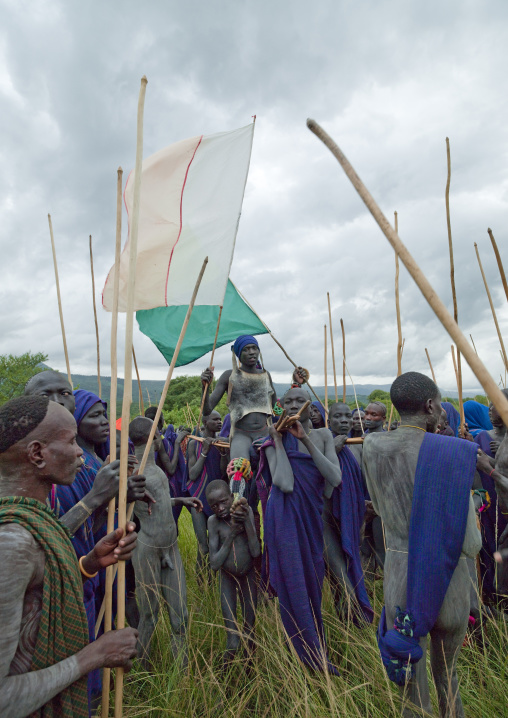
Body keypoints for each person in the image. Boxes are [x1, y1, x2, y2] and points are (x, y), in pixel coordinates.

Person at [0, 395, 138, 718]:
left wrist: (88, 564)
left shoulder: (33, 520)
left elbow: (32, 602)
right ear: (37, 454)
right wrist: (96, 654)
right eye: (71, 441)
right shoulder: (13, 544)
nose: (80, 452)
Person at [363, 372, 482, 718]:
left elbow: (376, 501)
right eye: (441, 405)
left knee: (411, 690)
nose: (443, 413)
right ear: (430, 406)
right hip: (449, 578)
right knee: (449, 679)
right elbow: (471, 544)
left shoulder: (372, 445)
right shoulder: (454, 453)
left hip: (401, 573)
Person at [258, 387, 341, 674]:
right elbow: (285, 483)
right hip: (283, 516)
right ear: (280, 406)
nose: (294, 405)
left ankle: (314, 646)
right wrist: (279, 442)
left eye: (299, 400)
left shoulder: (323, 436)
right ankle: (306, 656)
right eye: (288, 401)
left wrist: (305, 439)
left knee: (313, 578)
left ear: (310, 406)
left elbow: (335, 477)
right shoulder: (270, 442)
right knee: (294, 580)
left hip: (311, 516)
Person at [129, 417, 202, 670]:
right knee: (149, 615)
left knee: (180, 616)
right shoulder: (135, 475)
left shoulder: (156, 469)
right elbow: (128, 503)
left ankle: (180, 672)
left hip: (170, 546)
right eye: (158, 433)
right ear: (155, 438)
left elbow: (158, 504)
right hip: (147, 549)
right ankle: (140, 671)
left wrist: (180, 500)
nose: (162, 437)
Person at [200, 336, 276, 495]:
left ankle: (273, 508)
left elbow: (275, 406)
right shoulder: (229, 376)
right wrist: (204, 388)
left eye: (254, 348)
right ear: (237, 353)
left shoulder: (265, 375)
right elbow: (206, 411)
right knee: (238, 470)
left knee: (276, 473)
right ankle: (237, 504)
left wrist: (296, 384)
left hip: (264, 432)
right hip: (242, 434)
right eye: (246, 349)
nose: (251, 352)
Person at [325, 403, 373, 624]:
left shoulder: (355, 447)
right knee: (341, 577)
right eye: (338, 416)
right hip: (324, 523)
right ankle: (355, 623)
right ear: (329, 421)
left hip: (349, 521)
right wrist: (331, 450)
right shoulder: (320, 443)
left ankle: (347, 627)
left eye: (348, 416)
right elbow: (318, 485)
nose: (344, 420)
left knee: (348, 573)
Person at [206, 480, 260, 667]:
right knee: (233, 641)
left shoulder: (246, 512)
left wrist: (246, 523)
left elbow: (255, 552)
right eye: (214, 506)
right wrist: (231, 535)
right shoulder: (213, 523)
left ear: (231, 497)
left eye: (223, 502)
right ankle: (223, 679)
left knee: (249, 634)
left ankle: (249, 679)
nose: (220, 508)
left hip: (248, 576)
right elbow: (214, 564)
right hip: (227, 578)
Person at [473, 389, 508, 604]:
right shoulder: (492, 438)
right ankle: (497, 599)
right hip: (500, 511)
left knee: (503, 556)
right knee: (498, 554)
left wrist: (489, 469)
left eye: (495, 404)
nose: (490, 410)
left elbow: (500, 476)